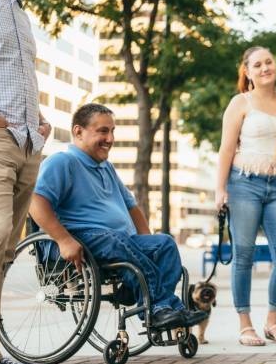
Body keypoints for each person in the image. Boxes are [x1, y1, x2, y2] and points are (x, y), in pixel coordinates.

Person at [29, 104, 206, 331]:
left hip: (115, 241)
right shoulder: (62, 162)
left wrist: (147, 244)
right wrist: (63, 240)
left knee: (164, 243)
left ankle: (144, 298)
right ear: (78, 132)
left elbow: (132, 207)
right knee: (112, 238)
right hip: (78, 238)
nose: (110, 138)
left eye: (112, 131)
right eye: (103, 131)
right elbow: (35, 202)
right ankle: (160, 308)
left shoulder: (106, 167)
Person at [216, 46, 276, 346]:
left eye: (269, 61)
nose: (265, 68)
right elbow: (226, 148)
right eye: (257, 64)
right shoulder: (240, 103)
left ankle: (272, 322)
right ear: (248, 72)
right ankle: (245, 324)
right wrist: (220, 188)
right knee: (244, 255)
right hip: (244, 183)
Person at [0, 0, 51, 364]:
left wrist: (40, 118)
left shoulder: (19, 11)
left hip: (29, 141)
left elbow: (19, 72)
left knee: (5, 253)